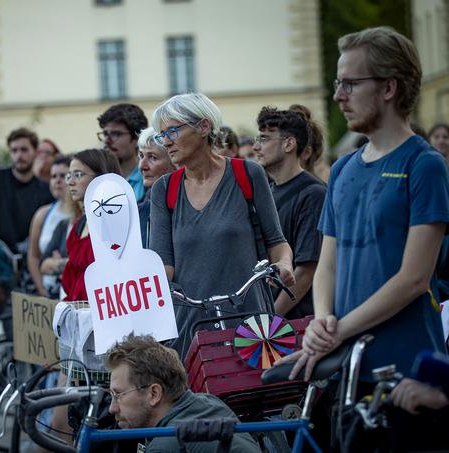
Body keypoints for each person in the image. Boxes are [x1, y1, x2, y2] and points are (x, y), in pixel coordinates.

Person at [279, 25, 449, 390]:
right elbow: (328, 265)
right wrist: (322, 321)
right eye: (337, 83)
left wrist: (337, 330)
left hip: (408, 368)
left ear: (389, 87)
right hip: (346, 365)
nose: (339, 95)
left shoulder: (425, 164)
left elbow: (415, 278)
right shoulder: (342, 169)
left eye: (350, 84)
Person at [149, 92, 294, 359]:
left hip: (252, 322)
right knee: (200, 397)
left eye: (172, 132)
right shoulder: (164, 190)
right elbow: (162, 265)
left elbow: (277, 242)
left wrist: (284, 265)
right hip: (191, 328)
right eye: (161, 136)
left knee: (259, 395)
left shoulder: (247, 174)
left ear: (203, 127)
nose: (165, 143)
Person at [105, 334, 261, 453]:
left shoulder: (166, 445)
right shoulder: (207, 401)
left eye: (118, 395)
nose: (112, 408)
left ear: (154, 394)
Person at [253, 106, 326, 318]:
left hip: (296, 326)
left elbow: (305, 273)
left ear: (289, 143)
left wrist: (270, 319)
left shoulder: (313, 194)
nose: (257, 146)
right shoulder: (268, 190)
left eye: (265, 139)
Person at [0, 127, 54, 253]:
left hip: (31, 256)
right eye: (14, 150)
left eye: (24, 150)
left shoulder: (46, 190)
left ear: (35, 152)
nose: (19, 155)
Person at [60, 148, 121, 301]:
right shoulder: (79, 224)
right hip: (79, 312)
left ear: (101, 177)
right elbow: (70, 281)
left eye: (78, 175)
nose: (71, 182)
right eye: (69, 176)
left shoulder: (118, 222)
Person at [27, 156, 77, 297]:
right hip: (48, 290)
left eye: (63, 175)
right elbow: (33, 256)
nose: (57, 180)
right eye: (53, 176)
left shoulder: (81, 214)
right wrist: (41, 289)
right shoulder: (43, 214)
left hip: (73, 293)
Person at [98, 103, 148, 203]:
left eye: (116, 134)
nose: (107, 141)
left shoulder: (150, 177)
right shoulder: (98, 178)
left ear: (137, 138)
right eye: (105, 134)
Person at [137, 127, 175, 248]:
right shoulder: (139, 212)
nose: (142, 166)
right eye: (141, 156)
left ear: (175, 162)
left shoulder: (189, 206)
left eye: (153, 157)